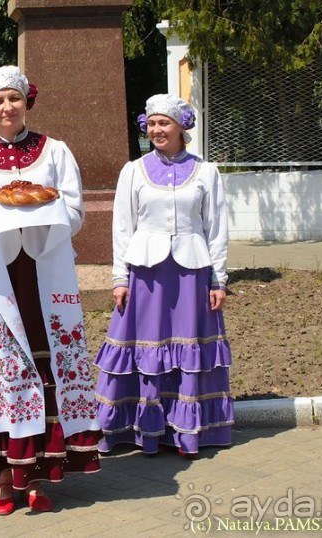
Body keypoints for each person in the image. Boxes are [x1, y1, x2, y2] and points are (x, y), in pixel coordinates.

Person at [0, 66, 101, 515]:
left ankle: (39, 476)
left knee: (44, 369)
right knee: (1, 371)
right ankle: (4, 478)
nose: (7, 108)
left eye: (14, 98)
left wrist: (46, 209)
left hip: (42, 273)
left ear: (27, 100)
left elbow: (77, 210)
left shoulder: (55, 150)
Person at [93, 94, 234, 458]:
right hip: (146, 275)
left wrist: (219, 280)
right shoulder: (133, 171)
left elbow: (216, 228)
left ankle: (186, 432)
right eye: (152, 123)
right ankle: (137, 429)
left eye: (164, 123)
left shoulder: (207, 172)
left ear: (180, 127)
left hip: (191, 275)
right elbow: (122, 227)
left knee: (187, 349)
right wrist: (119, 277)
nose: (157, 129)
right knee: (145, 348)